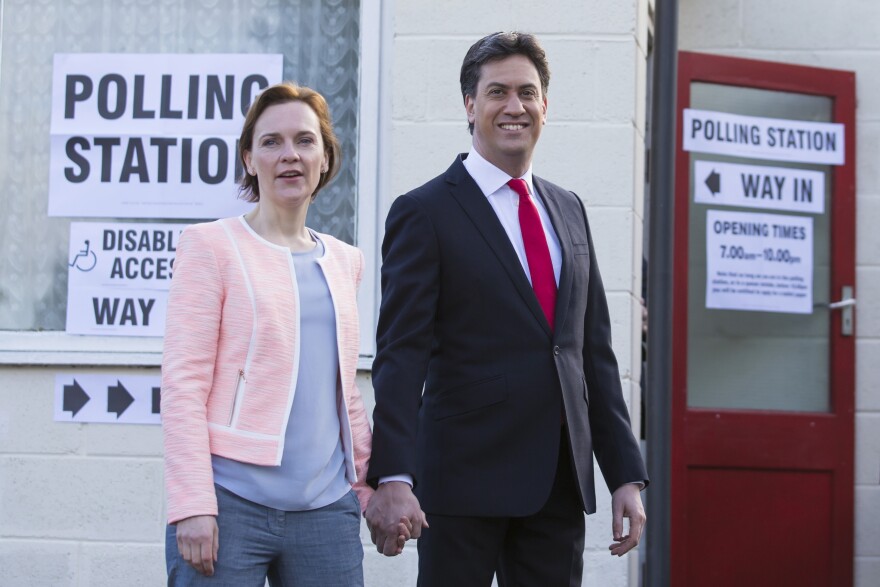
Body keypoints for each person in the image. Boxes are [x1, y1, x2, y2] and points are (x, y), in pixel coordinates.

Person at [365, 32, 649, 585]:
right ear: (470, 106)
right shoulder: (424, 212)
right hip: (462, 482)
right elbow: (402, 354)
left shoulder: (568, 209)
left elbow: (593, 356)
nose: (514, 107)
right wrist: (393, 474)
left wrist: (624, 476)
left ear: (546, 105)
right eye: (497, 92)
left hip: (557, 482)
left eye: (527, 92)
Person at [161, 82, 373, 585]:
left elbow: (344, 390)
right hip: (229, 507)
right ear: (249, 159)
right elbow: (183, 385)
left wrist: (367, 489)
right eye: (271, 142)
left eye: (304, 141)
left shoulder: (346, 261)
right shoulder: (210, 247)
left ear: (325, 157)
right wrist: (192, 502)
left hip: (326, 513)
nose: (289, 156)